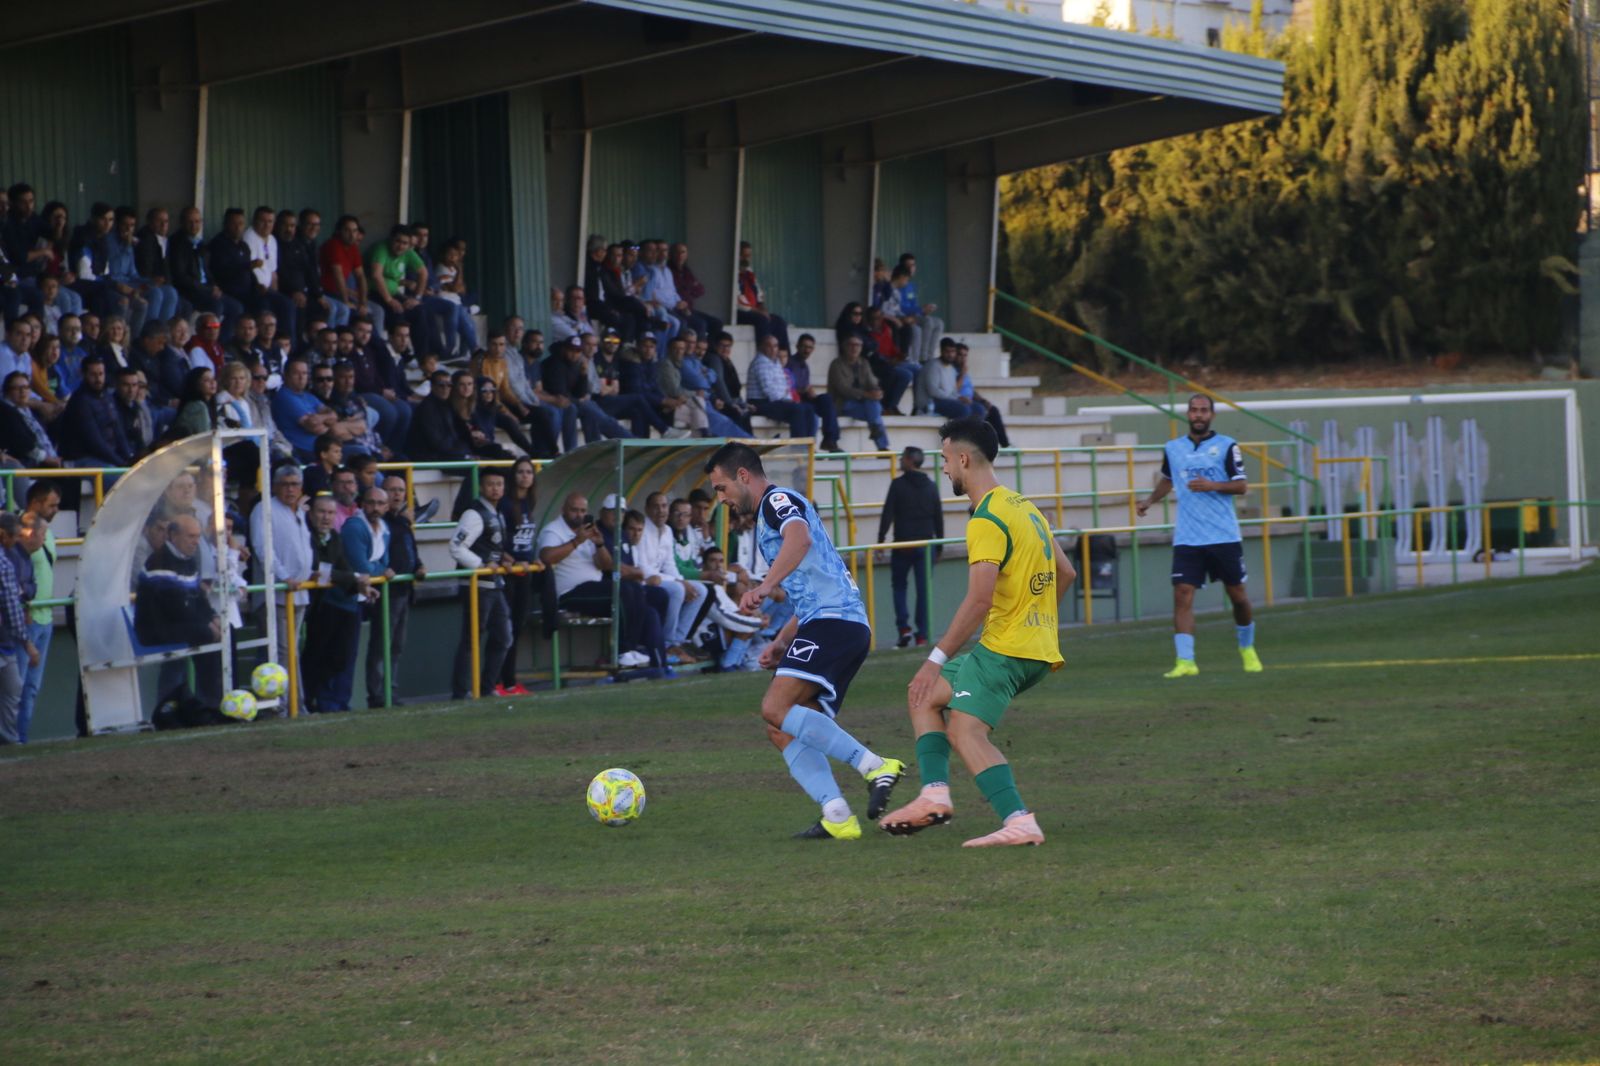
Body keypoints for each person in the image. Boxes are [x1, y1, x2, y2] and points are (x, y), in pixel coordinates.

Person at [880, 417, 1075, 847]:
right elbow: (1066, 571)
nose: (945, 469)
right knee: (924, 696)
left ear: (963, 459)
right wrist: (1035, 619)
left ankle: (1019, 820)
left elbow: (979, 599)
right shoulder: (1023, 506)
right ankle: (934, 795)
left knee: (964, 731)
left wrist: (935, 659)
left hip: (1006, 649)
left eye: (946, 459)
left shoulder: (985, 518)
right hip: (1035, 647)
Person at [702, 441, 905, 840]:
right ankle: (837, 814)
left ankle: (875, 765)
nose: (721, 499)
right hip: (827, 622)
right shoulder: (767, 516)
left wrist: (764, 586)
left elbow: (800, 541)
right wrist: (780, 641)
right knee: (781, 728)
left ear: (743, 476)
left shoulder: (777, 501)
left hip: (835, 622)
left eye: (721, 488)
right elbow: (809, 586)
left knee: (775, 706)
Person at [1135, 393, 1262, 678]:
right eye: (1194, 410)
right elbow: (1169, 479)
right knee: (1182, 595)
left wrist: (1212, 484)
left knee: (1238, 596)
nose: (1199, 415)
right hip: (1188, 537)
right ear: (1188, 414)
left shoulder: (1227, 446)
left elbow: (1241, 486)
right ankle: (1185, 661)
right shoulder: (1173, 448)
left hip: (1223, 535)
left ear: (1212, 415)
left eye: (1204, 410)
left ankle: (1247, 648)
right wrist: (1149, 501)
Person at [536, 493, 651, 669]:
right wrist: (576, 541)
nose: (579, 515)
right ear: (563, 510)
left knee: (634, 589)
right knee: (623, 592)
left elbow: (605, 565)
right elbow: (547, 557)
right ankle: (621, 651)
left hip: (592, 588)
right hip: (568, 594)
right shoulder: (553, 530)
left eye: (583, 511)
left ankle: (631, 648)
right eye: (574, 510)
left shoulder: (587, 530)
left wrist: (599, 544)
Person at [449, 467, 516, 699]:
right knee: (471, 640)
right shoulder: (474, 514)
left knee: (504, 637)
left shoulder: (498, 513)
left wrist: (504, 558)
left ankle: (486, 687)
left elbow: (492, 547)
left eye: (499, 484)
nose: (495, 488)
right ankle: (462, 691)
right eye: (490, 484)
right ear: (481, 487)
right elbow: (456, 547)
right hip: (476, 586)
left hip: (494, 585)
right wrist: (481, 566)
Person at [252, 464, 312, 712]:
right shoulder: (264, 509)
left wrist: (310, 572)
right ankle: (283, 705)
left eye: (295, 484)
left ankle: (295, 703)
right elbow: (263, 548)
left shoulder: (298, 511)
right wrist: (285, 576)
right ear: (275, 486)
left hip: (298, 594)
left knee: (291, 652)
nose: (290, 489)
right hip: (277, 594)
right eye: (286, 484)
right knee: (282, 652)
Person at [300, 494, 367, 712]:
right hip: (307, 604)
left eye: (330, 513)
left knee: (337, 657)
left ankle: (320, 699)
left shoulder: (335, 537)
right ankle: (306, 699)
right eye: (321, 512)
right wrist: (353, 579)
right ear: (311, 514)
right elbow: (318, 569)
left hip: (325, 604)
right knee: (313, 655)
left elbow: (341, 569)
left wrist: (360, 584)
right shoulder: (304, 536)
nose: (326, 517)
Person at [878, 446, 944, 648]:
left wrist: (881, 541)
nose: (899, 461)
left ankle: (904, 629)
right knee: (923, 591)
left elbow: (887, 514)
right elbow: (938, 517)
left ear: (909, 460)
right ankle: (922, 634)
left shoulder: (898, 485)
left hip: (903, 543)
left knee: (899, 587)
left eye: (902, 458)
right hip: (926, 544)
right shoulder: (931, 486)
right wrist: (939, 544)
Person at [368, 475, 425, 706]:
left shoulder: (402, 522)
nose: (397, 494)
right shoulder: (381, 523)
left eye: (401, 490)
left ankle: (391, 690)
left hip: (404, 590)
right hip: (387, 591)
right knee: (381, 645)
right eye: (392, 490)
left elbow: (411, 550)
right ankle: (378, 694)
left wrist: (419, 565)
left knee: (396, 646)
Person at [339, 486, 394, 709]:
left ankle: (344, 701)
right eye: (371, 503)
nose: (375, 508)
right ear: (362, 504)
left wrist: (377, 569)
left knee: (367, 650)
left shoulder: (385, 528)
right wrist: (379, 569)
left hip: (365, 596)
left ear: (387, 506)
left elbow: (384, 563)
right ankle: (333, 702)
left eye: (381, 504)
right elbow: (362, 566)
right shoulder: (354, 527)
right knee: (342, 654)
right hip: (346, 596)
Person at [16, 484, 59, 743]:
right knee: (18, 686)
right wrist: (24, 606)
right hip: (27, 618)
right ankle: (13, 739)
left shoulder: (48, 532)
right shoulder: (20, 531)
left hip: (46, 618)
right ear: (35, 503)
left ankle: (21, 738)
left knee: (31, 687)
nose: (56, 510)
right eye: (51, 505)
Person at [497, 458, 539, 695]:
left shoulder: (530, 503)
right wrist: (505, 556)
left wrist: (533, 559)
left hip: (526, 571)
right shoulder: (504, 504)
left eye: (529, 472)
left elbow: (527, 538)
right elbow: (499, 536)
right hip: (509, 573)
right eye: (520, 472)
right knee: (506, 628)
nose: (524, 476)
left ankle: (510, 680)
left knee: (518, 627)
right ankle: (502, 680)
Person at [0, 512, 40, 745]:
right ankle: (9, 738)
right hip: (4, 639)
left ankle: (9, 738)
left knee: (13, 688)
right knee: (13, 690)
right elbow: (11, 605)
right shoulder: (4, 562)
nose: (16, 541)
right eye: (14, 536)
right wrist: (27, 641)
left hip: (4, 639)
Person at [745, 334, 818, 442]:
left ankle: (809, 445)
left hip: (777, 401)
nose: (772, 349)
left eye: (775, 346)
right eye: (768, 346)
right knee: (797, 410)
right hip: (760, 404)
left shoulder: (775, 363)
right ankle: (798, 448)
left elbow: (785, 386)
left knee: (808, 409)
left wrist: (789, 400)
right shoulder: (760, 363)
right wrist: (788, 402)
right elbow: (769, 391)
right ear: (761, 347)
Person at [826, 335, 891, 452]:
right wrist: (867, 394)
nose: (854, 348)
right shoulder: (836, 364)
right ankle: (881, 446)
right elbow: (843, 389)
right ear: (845, 347)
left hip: (863, 404)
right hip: (842, 404)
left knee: (874, 405)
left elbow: (871, 381)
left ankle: (878, 436)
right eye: (851, 345)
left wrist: (877, 391)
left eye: (858, 345)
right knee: (875, 412)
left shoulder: (864, 363)